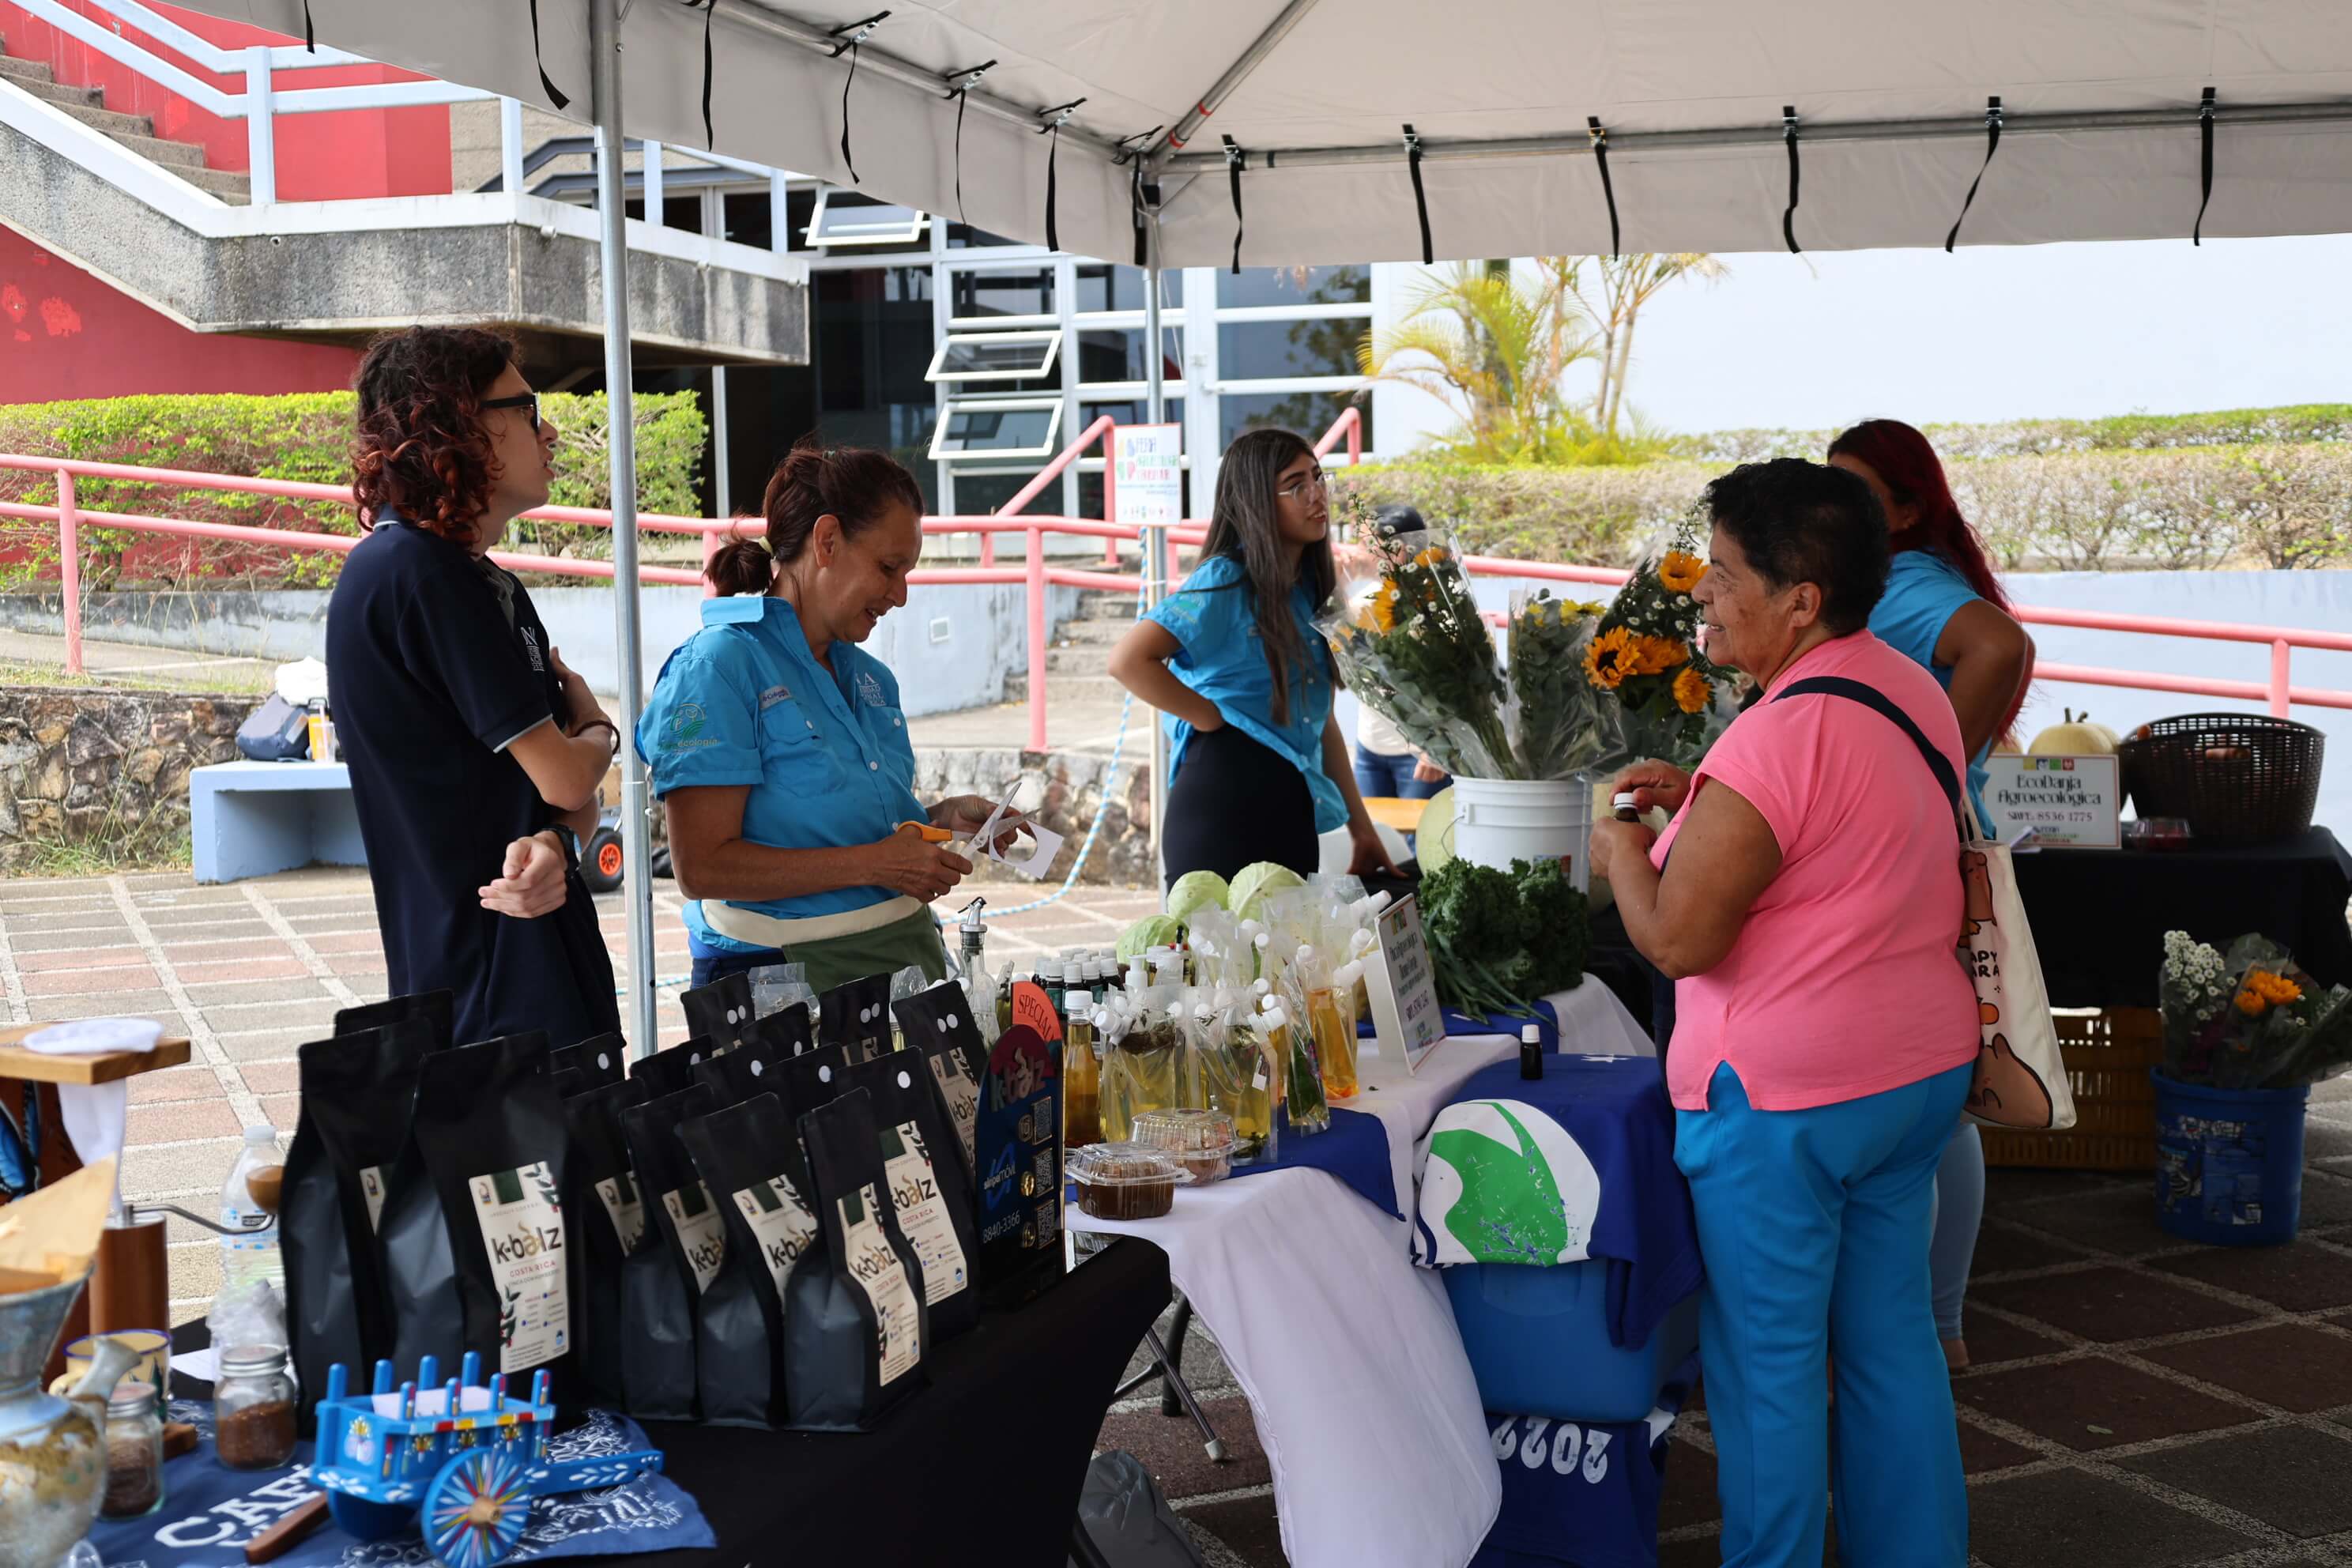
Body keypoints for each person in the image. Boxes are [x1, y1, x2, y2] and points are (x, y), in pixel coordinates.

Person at [1589, 458, 1974, 1567]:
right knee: (1890, 1348)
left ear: (1800, 598)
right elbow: (1830, 837)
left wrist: (1623, 846)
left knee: (1768, 1373)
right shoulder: (1905, 688)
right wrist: (1703, 799)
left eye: (1722, 573)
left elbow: (1676, 938)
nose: (1701, 593)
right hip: (1913, 1085)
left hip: (1786, 1105)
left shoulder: (1771, 738)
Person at [328, 326, 621, 1050]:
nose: (548, 429)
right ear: (454, 424)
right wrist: (600, 732)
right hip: (485, 997)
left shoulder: (484, 581)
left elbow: (566, 806)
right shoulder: (415, 574)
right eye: (526, 407)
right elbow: (564, 775)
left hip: (535, 968)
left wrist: (555, 841)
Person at [638, 443, 1012, 993]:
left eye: (907, 573)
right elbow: (701, 868)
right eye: (888, 568)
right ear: (828, 541)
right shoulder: (720, 665)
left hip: (904, 960)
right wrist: (877, 866)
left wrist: (942, 818)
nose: (901, 596)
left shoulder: (872, 679)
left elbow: (844, 834)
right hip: (778, 982)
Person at [1828, 417, 2034, 1374]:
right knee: (1941, 1105)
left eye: (1859, 492)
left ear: (1908, 509)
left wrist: (1927, 760)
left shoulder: (1903, 584)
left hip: (1927, 857)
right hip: (1947, 851)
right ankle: (1939, 1325)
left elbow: (2000, 646)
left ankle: (1933, 1325)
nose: (1837, 510)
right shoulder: (1911, 575)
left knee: (1933, 1110)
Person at [1108, 428, 1394, 888]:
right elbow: (1128, 660)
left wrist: (1362, 829)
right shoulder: (1225, 578)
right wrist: (1210, 719)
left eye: (1318, 478)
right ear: (1257, 499)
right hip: (1223, 802)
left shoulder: (1310, 590)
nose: (1316, 495)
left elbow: (1321, 722)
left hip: (1291, 808)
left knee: (1291, 956)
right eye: (1296, 485)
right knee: (1218, 958)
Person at [1350, 506, 1454, 805]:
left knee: (1417, 845)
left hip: (1421, 754)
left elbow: (1455, 682)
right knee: (1380, 842)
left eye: (1366, 545)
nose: (1358, 553)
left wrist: (1438, 749)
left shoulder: (1436, 605)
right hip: (1370, 750)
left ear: (1398, 550)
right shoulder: (1362, 602)